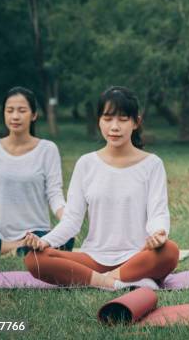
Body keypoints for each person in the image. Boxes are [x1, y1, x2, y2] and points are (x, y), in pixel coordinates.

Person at [23, 86, 179, 290]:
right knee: (34, 258)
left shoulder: (152, 164)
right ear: (98, 121)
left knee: (170, 251)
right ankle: (111, 281)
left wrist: (158, 233)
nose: (114, 127)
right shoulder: (86, 164)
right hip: (94, 258)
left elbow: (158, 213)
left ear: (136, 122)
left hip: (137, 256)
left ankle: (103, 279)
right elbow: (71, 221)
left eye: (123, 119)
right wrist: (46, 241)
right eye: (107, 119)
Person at [0, 86, 73, 255]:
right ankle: (13, 248)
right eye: (10, 110)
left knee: (67, 238)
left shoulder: (47, 149)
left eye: (22, 110)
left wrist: (68, 222)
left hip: (36, 234)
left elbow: (54, 194)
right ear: (4, 114)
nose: (15, 116)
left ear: (34, 115)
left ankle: (18, 248)